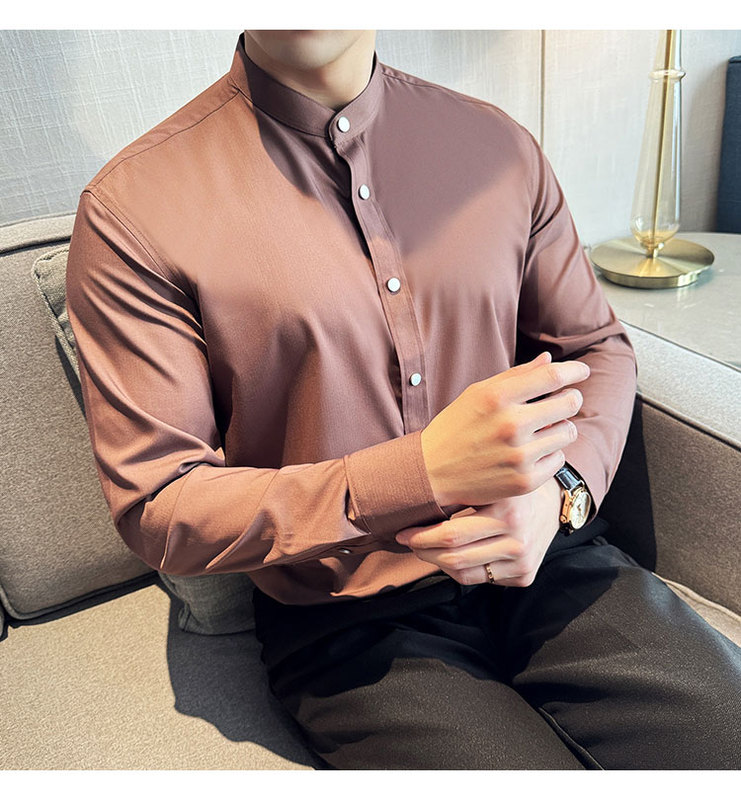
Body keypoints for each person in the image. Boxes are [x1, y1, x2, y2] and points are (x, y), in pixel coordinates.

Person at [66, 29, 741, 769]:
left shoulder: (497, 147)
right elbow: (159, 505)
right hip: (346, 617)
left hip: (551, 553)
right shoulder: (135, 207)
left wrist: (560, 492)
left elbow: (595, 348)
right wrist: (419, 473)